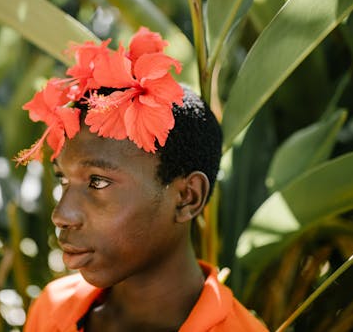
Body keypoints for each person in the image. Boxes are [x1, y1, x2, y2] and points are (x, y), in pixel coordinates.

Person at [17, 27, 268, 332]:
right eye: (63, 180)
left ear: (187, 197)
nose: (61, 215)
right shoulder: (53, 311)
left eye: (97, 181)